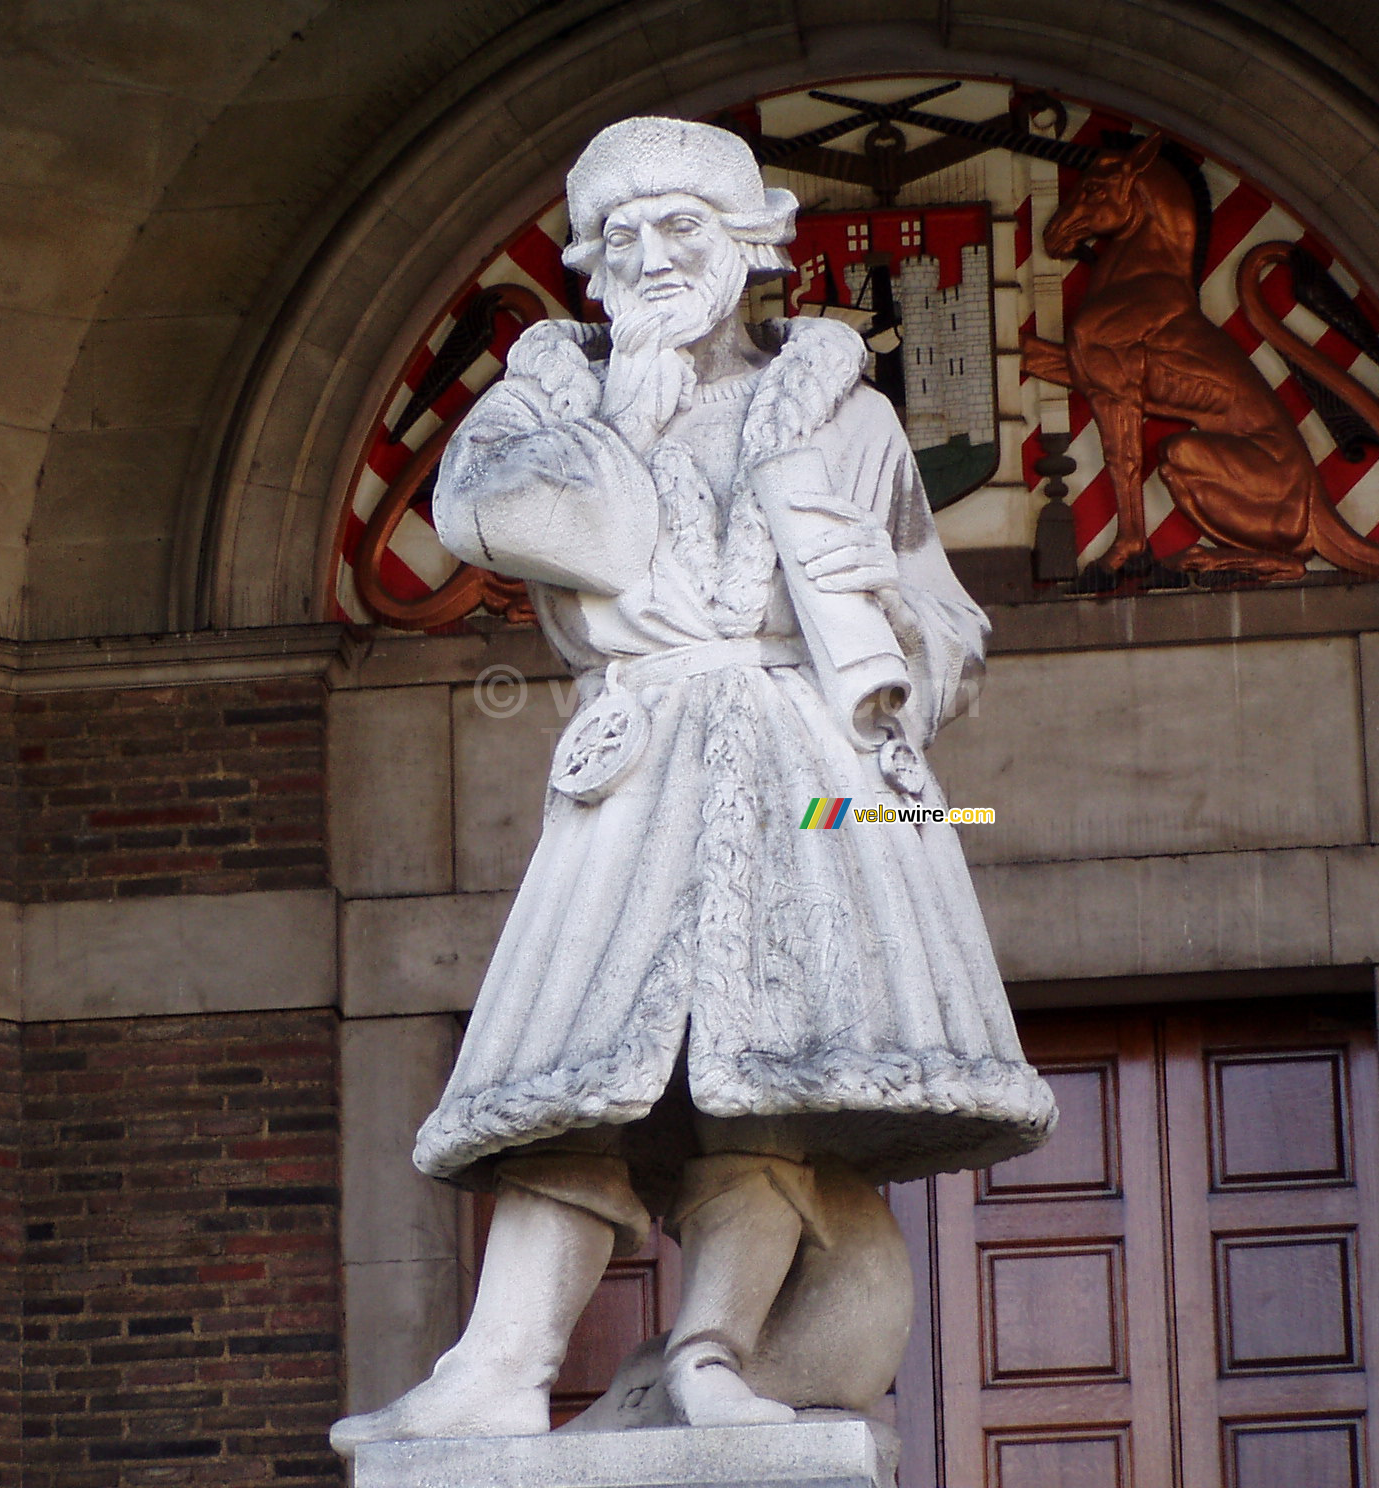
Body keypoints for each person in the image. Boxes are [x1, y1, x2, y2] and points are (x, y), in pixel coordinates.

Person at [331, 116, 1054, 1452]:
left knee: (770, 1075)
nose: (653, 257)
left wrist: (880, 627)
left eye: (683, 229)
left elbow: (948, 620)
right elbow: (489, 511)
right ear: (594, 269)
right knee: (571, 1066)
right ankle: (498, 1363)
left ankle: (716, 1353)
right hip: (642, 757)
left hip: (815, 778)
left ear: (748, 248)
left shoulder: (850, 418)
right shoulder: (555, 403)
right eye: (622, 237)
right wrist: (620, 415)